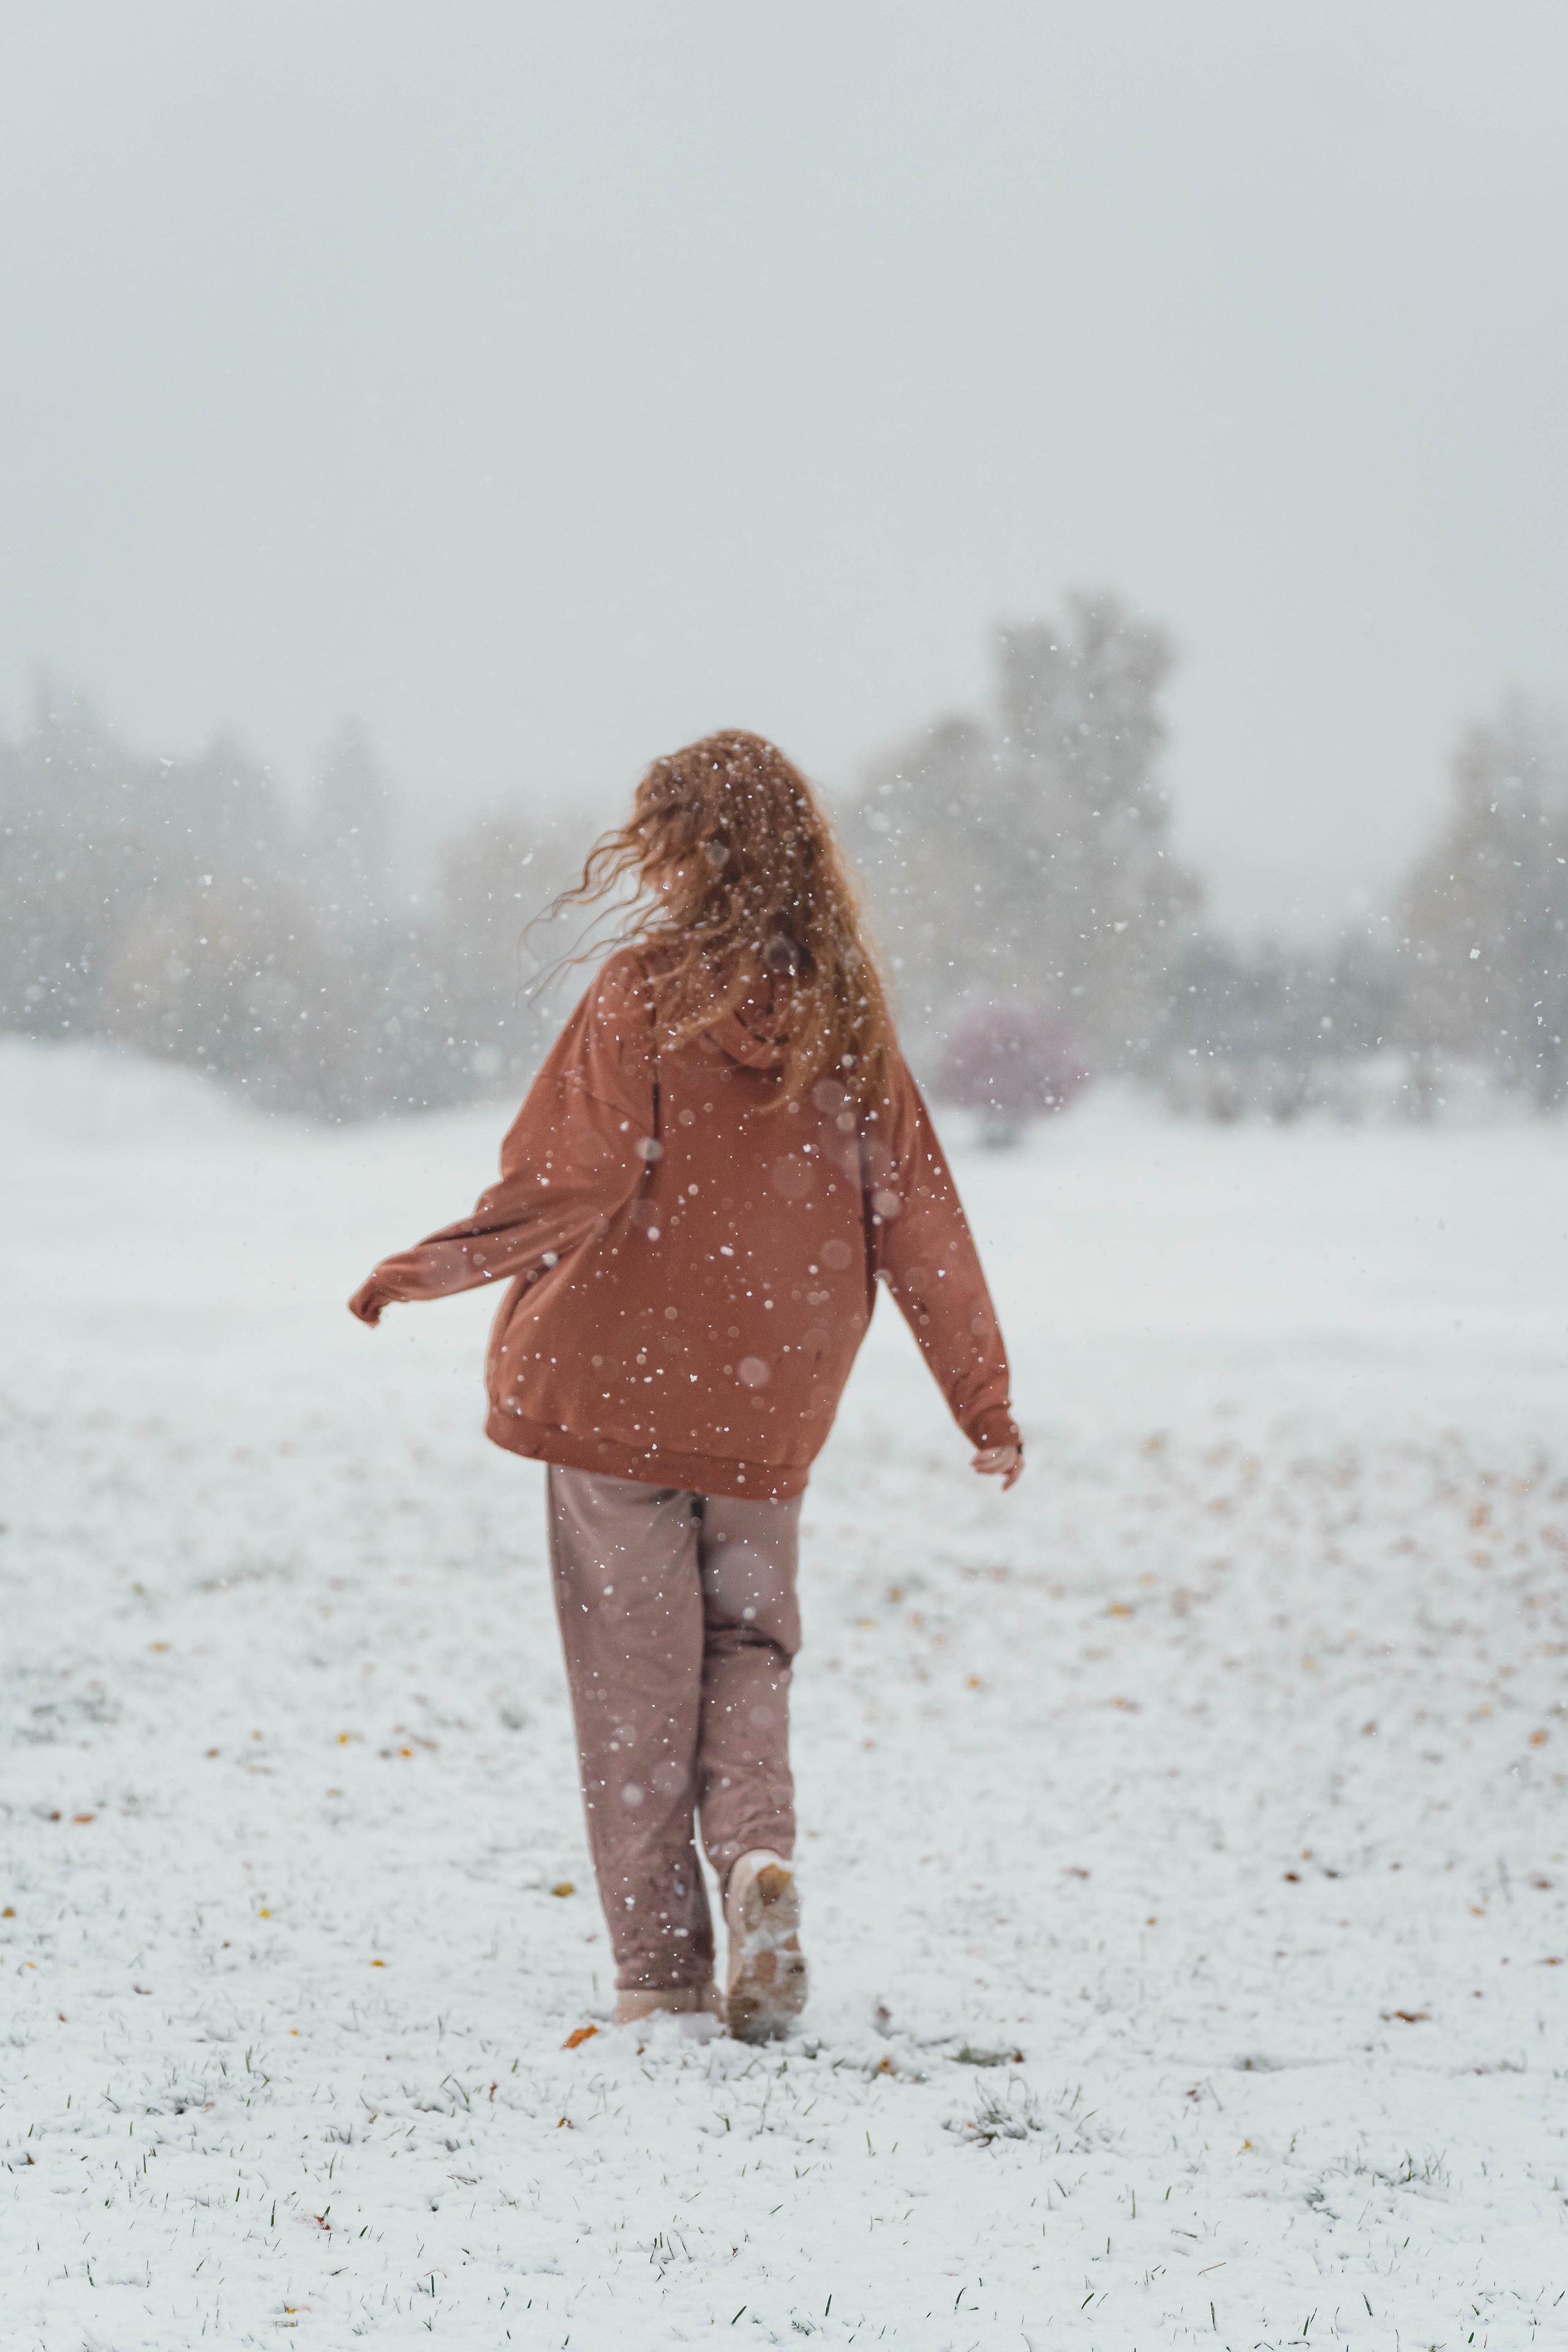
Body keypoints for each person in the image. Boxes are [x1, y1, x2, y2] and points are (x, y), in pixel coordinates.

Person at [348, 731, 1022, 2041]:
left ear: (676, 853)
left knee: (635, 1679)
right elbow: (921, 1221)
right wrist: (982, 1403)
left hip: (614, 1391)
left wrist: (435, 1265)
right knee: (749, 1648)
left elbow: (580, 1175)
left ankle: (661, 1970)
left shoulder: (641, 994)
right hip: (766, 1405)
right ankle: (757, 1853)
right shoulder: (846, 1017)